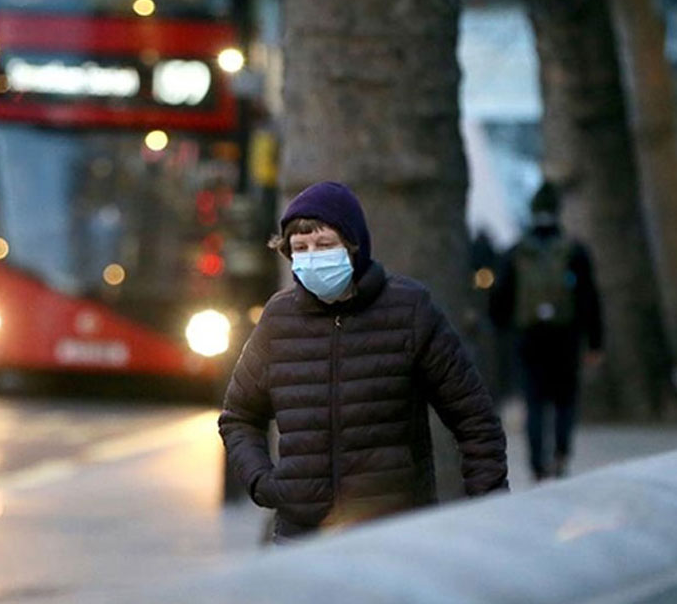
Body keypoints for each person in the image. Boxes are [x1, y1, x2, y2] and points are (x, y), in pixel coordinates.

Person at [218, 182, 508, 543]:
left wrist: (487, 510)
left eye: (325, 245)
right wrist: (262, 482)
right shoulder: (278, 319)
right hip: (301, 538)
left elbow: (474, 419)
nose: (312, 256)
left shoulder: (409, 310)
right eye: (300, 248)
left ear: (354, 247)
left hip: (394, 536)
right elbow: (239, 417)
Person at [489, 183, 602, 481]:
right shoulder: (574, 250)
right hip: (565, 336)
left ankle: (537, 464)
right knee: (565, 399)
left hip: (529, 337)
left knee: (534, 401)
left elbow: (499, 299)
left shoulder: (517, 252)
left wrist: (505, 330)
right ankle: (561, 454)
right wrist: (594, 342)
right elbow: (589, 299)